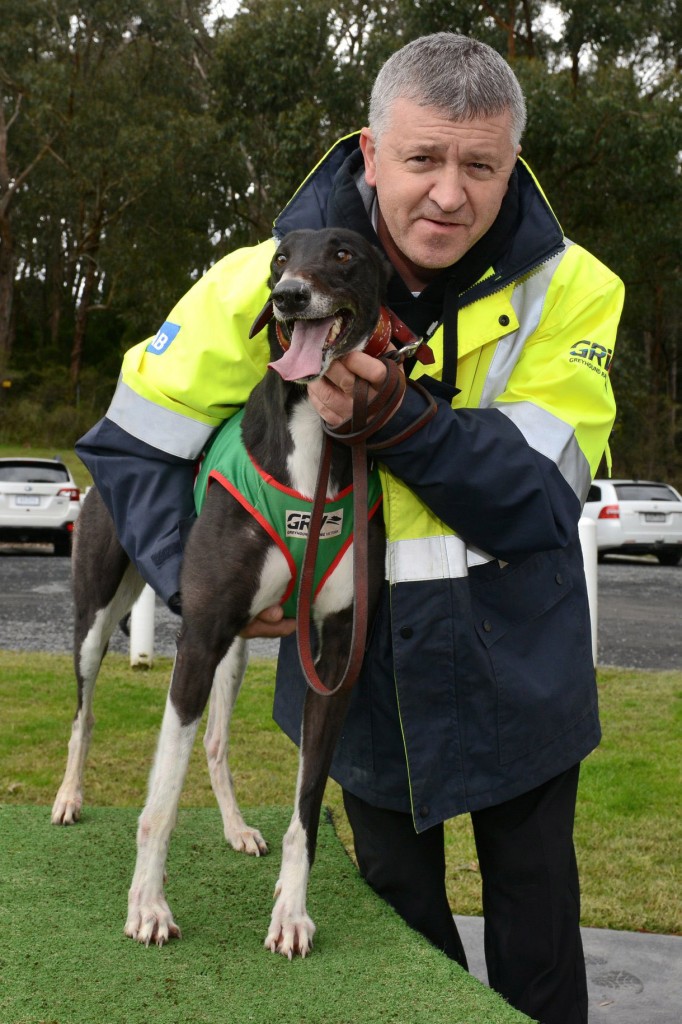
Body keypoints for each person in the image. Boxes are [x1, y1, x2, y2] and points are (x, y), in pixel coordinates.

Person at [77, 33, 623, 1023]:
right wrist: (202, 590)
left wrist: (398, 420)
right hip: (355, 687)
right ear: (370, 154)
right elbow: (131, 442)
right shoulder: (263, 277)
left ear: (512, 166)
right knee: (397, 967)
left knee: (539, 964)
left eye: (479, 165)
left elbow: (541, 499)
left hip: (524, 673)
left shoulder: (572, 287)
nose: (448, 195)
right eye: (421, 159)